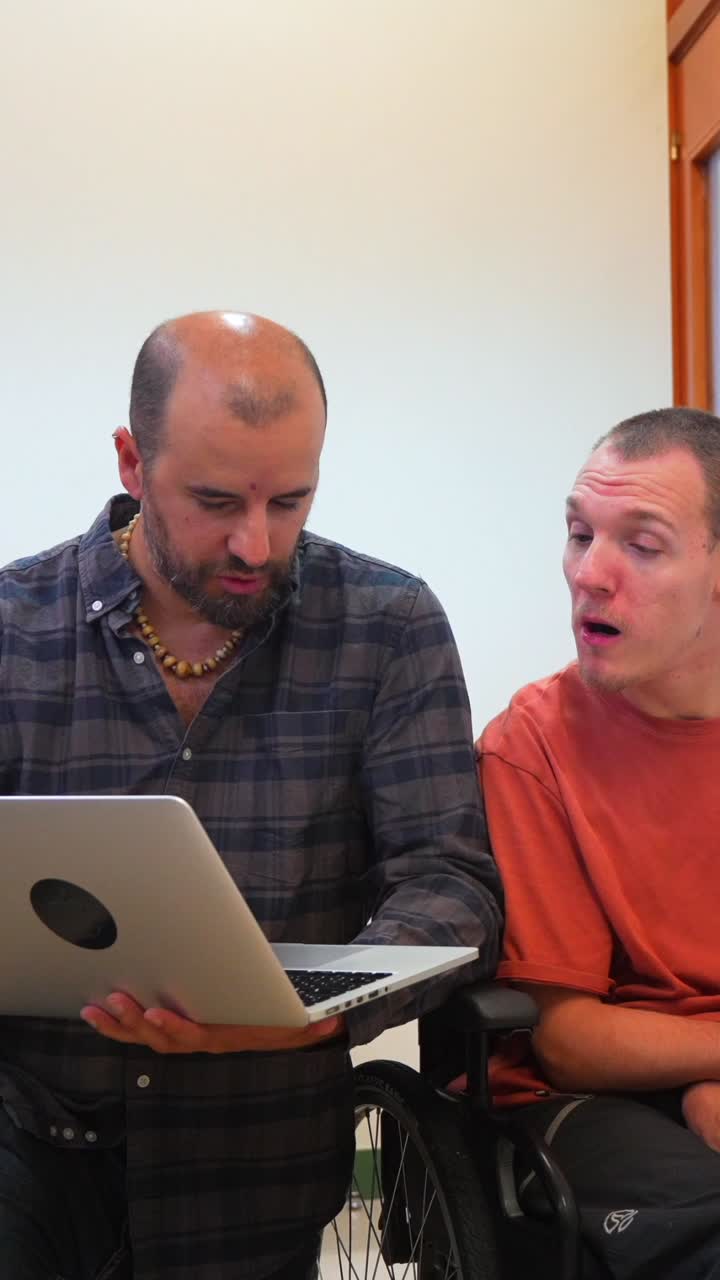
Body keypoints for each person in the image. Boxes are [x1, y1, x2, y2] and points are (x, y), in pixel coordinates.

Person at [0, 310, 502, 1280]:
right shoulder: (15, 629)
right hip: (30, 1134)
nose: (255, 541)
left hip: (253, 1160)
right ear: (131, 461)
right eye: (216, 498)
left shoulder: (387, 627)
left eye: (292, 499)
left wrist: (312, 1002)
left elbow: (453, 884)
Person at [480, 406, 720, 1280]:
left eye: (642, 545)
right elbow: (569, 1039)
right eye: (580, 534)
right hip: (583, 1098)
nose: (590, 575)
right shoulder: (532, 746)